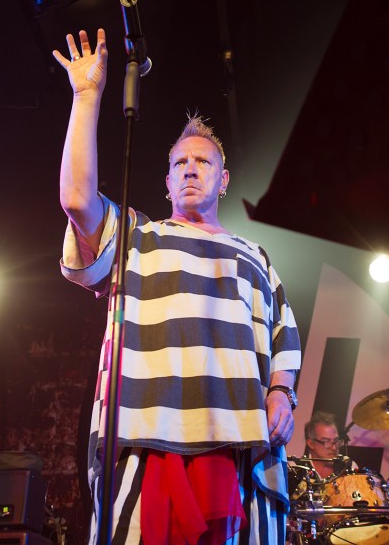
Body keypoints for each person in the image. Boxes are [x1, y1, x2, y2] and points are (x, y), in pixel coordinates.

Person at [55, 28, 302, 544]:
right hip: (152, 437)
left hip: (237, 440)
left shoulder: (254, 255)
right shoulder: (138, 236)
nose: (190, 170)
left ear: (224, 179)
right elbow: (78, 200)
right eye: (179, 164)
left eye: (203, 162)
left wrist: (281, 393)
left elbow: (284, 334)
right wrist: (86, 98)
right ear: (166, 181)